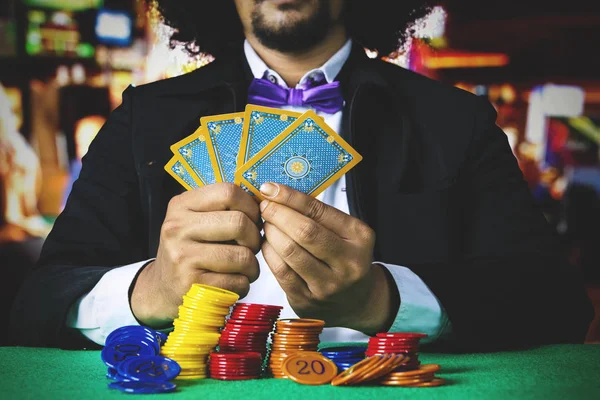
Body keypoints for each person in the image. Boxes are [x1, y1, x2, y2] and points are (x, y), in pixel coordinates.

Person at [10, 0, 593, 349]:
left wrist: (382, 300)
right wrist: (152, 291)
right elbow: (36, 302)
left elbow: (555, 303)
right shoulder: (141, 117)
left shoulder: (457, 121)